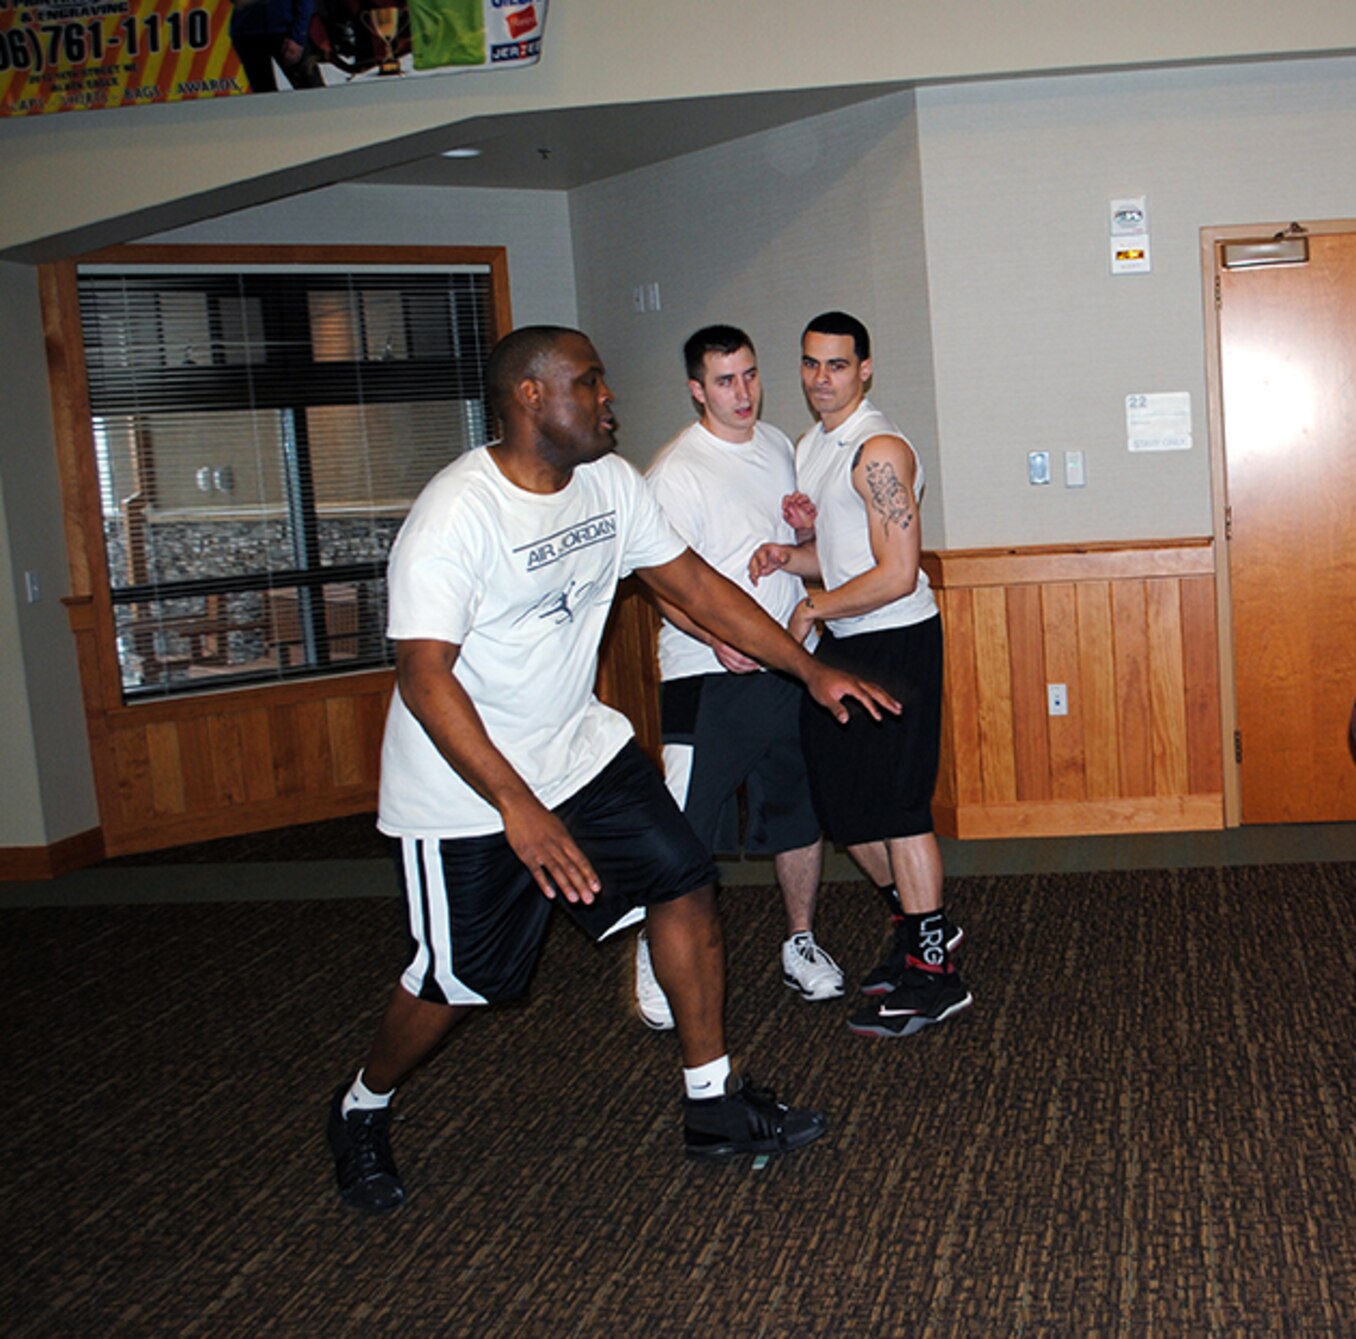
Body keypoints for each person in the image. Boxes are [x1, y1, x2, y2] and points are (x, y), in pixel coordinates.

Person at [324, 326, 898, 1214]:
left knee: (684, 875)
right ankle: (362, 1104)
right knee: (460, 978)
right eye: (589, 382)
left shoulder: (609, 484)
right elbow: (424, 676)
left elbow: (698, 588)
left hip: (580, 751)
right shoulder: (456, 514)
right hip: (465, 785)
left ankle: (711, 1100)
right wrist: (517, 806)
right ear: (530, 397)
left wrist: (806, 668)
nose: (608, 398)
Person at [749, 311, 969, 1038]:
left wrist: (812, 605)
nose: (821, 378)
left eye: (837, 364)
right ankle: (921, 928)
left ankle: (935, 976)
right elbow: (848, 558)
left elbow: (898, 573)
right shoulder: (814, 445)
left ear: (865, 369)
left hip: (897, 642)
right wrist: (792, 557)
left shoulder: (879, 450)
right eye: (811, 363)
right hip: (848, 641)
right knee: (846, 809)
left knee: (900, 809)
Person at [631, 325, 843, 1032]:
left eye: (750, 375)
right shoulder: (675, 472)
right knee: (684, 827)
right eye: (725, 380)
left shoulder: (779, 445)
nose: (743, 392)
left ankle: (801, 941)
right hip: (706, 676)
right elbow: (660, 583)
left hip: (785, 661)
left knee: (797, 813)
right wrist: (713, 636)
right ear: (697, 389)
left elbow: (796, 551)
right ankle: (656, 950)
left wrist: (803, 531)